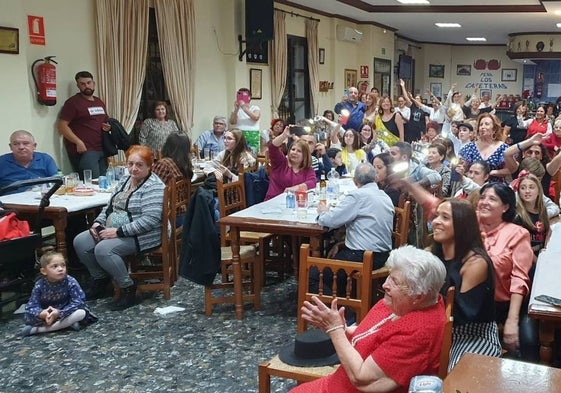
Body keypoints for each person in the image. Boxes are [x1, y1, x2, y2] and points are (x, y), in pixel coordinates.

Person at [292, 245, 447, 393]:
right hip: (338, 382)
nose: (385, 284)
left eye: (395, 281)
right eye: (389, 276)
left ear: (418, 296)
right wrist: (342, 329)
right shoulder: (401, 303)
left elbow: (362, 379)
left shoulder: (419, 332)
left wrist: (335, 331)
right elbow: (373, 335)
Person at [73, 145, 165, 311]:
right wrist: (98, 223)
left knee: (103, 249)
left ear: (150, 166)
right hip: (114, 227)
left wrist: (118, 232)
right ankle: (100, 279)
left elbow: (150, 220)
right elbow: (110, 206)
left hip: (145, 234)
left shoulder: (154, 186)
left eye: (139, 165)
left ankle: (128, 288)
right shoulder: (124, 180)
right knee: (80, 242)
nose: (133, 169)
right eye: (130, 164)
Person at [430, 199, 501, 370]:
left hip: (474, 333)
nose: (436, 221)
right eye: (436, 215)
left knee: (457, 376)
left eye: (445, 217)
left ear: (461, 225)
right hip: (438, 328)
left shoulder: (475, 263)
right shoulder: (431, 255)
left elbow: (463, 315)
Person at [477, 182, 537, 360]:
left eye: (492, 199)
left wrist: (512, 321)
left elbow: (519, 278)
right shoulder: (471, 223)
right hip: (470, 302)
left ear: (505, 207)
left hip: (503, 305)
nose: (484, 202)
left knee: (528, 343)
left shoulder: (518, 233)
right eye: (482, 197)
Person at [317, 163, 394, 270]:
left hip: (364, 256)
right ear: (375, 178)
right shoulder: (385, 196)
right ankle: (347, 285)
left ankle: (343, 284)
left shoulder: (357, 196)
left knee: (314, 275)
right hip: (383, 254)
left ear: (354, 180)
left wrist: (323, 212)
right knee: (333, 247)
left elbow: (330, 220)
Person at [22, 251, 96, 336]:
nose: (61, 269)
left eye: (63, 265)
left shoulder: (70, 281)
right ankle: (66, 324)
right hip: (47, 315)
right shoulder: (39, 284)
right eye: (55, 266)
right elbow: (32, 305)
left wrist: (59, 312)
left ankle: (37, 330)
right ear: (44, 271)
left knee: (81, 312)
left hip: (66, 312)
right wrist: (42, 313)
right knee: (28, 314)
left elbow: (79, 301)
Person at [57, 71, 111, 178]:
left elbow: (105, 119)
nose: (87, 86)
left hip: (101, 149)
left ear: (93, 83)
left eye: (89, 82)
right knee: (91, 184)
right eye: (82, 84)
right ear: (78, 86)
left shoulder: (99, 102)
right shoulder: (73, 103)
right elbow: (62, 126)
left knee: (105, 182)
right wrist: (77, 141)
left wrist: (108, 126)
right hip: (85, 151)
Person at [264, 126, 316, 200]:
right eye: (293, 149)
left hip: (295, 203)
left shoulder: (308, 169)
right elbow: (272, 147)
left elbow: (312, 182)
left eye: (299, 151)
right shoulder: (280, 162)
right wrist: (284, 135)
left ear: (305, 155)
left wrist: (296, 188)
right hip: (274, 201)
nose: (294, 152)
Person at [511, 172, 550, 265]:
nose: (527, 191)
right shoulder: (517, 216)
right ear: (519, 192)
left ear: (538, 191)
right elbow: (522, 247)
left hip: (541, 255)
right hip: (526, 261)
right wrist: (539, 263)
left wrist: (546, 249)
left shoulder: (542, 210)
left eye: (531, 187)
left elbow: (547, 232)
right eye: (523, 188)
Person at [459, 113, 509, 182]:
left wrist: (492, 173)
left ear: (494, 129)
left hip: (495, 187)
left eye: (486, 124)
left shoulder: (503, 147)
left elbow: (508, 170)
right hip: (473, 186)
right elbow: (463, 168)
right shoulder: (470, 147)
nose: (482, 127)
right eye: (481, 124)